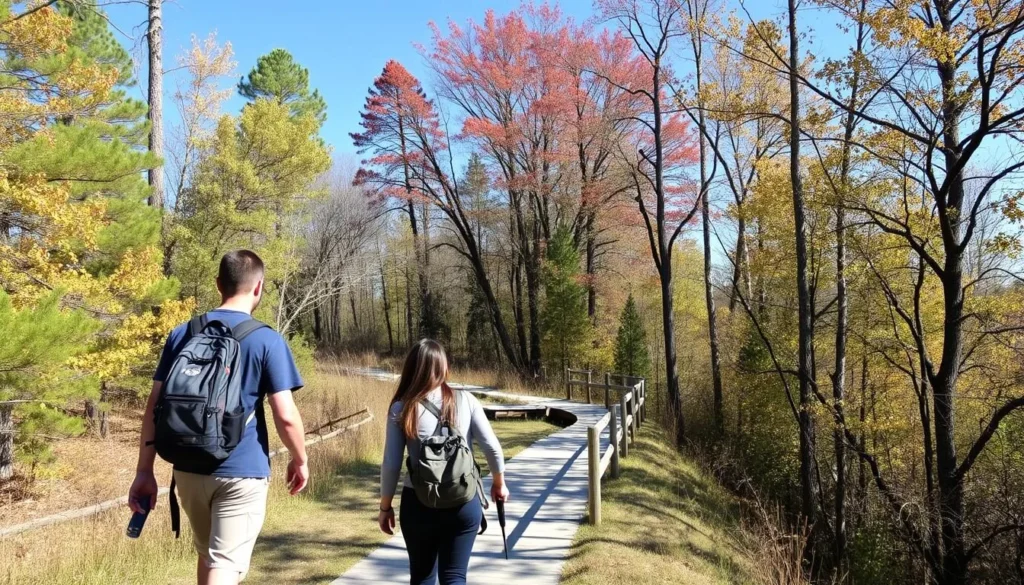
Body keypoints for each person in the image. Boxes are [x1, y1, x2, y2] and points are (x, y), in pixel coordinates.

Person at [129, 250, 309, 585]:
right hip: (241, 472)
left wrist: (144, 471)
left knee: (209, 558)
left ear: (218, 285)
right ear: (259, 288)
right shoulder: (266, 339)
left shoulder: (182, 333)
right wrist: (300, 459)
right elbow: (285, 416)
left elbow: (154, 405)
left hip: (186, 469)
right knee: (224, 566)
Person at [379, 339, 510, 585]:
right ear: (444, 366)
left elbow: (391, 463)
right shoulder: (466, 400)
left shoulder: (401, 408)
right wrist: (499, 483)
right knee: (454, 576)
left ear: (411, 368)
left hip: (418, 503)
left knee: (422, 577)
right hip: (463, 501)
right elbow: (491, 446)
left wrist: (385, 507)